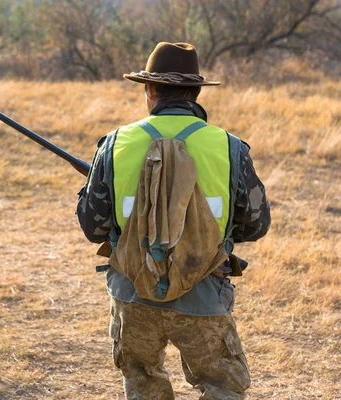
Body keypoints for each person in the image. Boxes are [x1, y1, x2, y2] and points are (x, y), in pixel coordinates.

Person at [76, 42, 270, 400]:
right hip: (205, 294)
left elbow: (93, 227)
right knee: (222, 388)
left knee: (143, 383)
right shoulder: (229, 147)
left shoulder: (115, 144)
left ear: (149, 90)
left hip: (133, 296)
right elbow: (256, 223)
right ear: (196, 91)